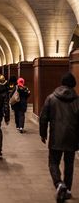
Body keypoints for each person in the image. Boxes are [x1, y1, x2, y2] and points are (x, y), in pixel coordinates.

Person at [39, 72, 79, 203]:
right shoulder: (77, 100)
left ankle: (59, 184)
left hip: (56, 137)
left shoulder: (51, 98)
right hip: (72, 137)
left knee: (53, 162)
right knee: (69, 164)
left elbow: (44, 118)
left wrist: (43, 133)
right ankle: (67, 189)